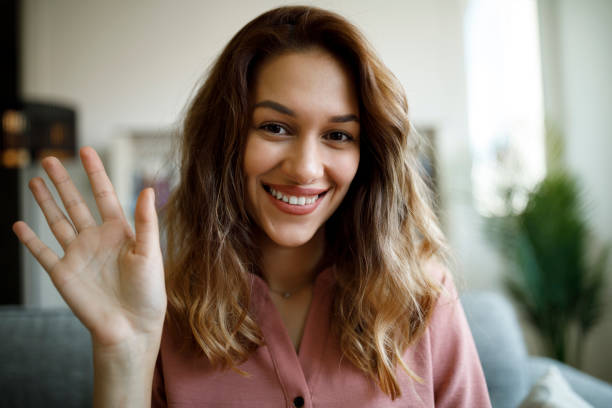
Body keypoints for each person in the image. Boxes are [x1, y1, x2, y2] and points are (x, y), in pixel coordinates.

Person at [13, 6, 491, 407]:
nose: (306, 168)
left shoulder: (423, 299)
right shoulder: (160, 311)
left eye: (338, 135)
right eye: (275, 128)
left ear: (366, 157)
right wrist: (123, 349)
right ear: (226, 139)